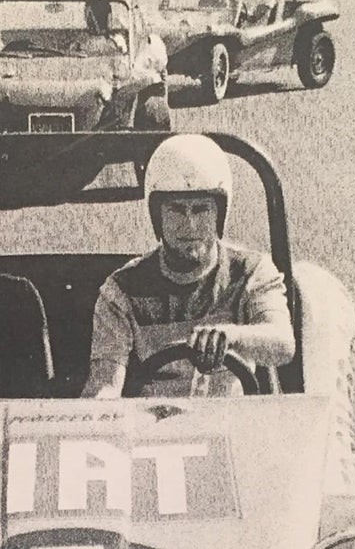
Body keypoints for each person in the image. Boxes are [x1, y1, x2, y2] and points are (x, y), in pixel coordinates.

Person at [82, 135, 295, 399]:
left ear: (219, 214)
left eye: (201, 210)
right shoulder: (122, 290)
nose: (190, 226)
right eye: (176, 210)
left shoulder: (251, 271)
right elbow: (105, 384)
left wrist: (230, 336)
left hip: (233, 425)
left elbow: (283, 344)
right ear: (157, 215)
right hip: (153, 432)